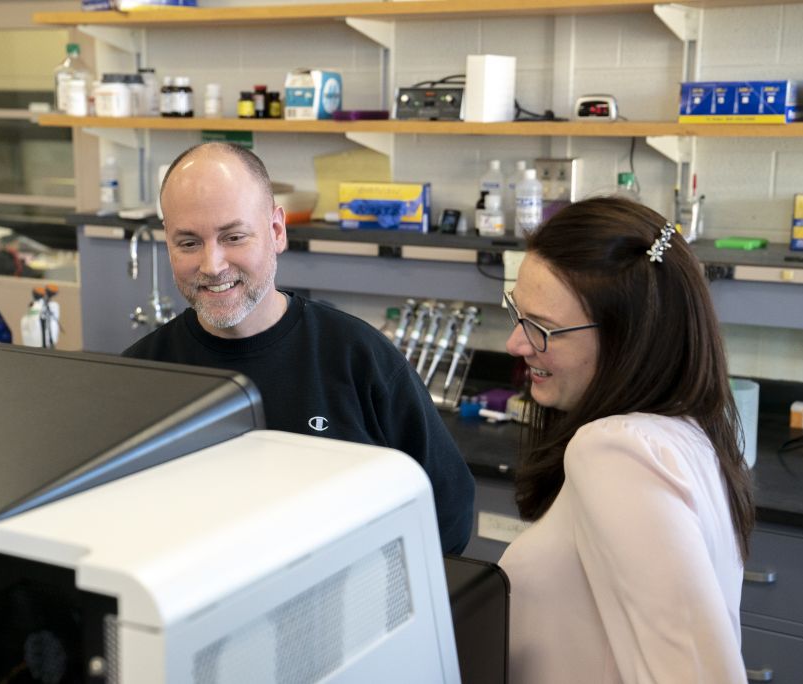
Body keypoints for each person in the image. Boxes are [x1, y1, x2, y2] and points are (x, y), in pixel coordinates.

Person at [122, 142, 474, 554]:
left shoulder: (358, 358)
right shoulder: (138, 377)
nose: (212, 264)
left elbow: (449, 509)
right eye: (188, 243)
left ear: (276, 231)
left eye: (233, 236)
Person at [499, 197, 754, 682]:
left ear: (630, 338)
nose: (515, 343)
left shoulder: (615, 451)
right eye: (517, 311)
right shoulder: (686, 433)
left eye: (544, 328)